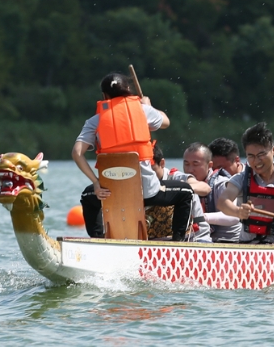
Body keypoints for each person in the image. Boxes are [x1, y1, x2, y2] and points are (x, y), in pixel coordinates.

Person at [73, 73, 194, 241]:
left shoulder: (95, 120)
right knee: (186, 192)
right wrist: (149, 106)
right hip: (148, 193)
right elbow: (166, 122)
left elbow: (77, 153)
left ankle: (98, 240)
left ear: (104, 96)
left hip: (110, 194)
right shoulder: (143, 111)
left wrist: (96, 183)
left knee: (87, 197)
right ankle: (178, 242)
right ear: (128, 90)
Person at [146, 143, 212, 242]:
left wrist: (180, 189)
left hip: (195, 239)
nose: (147, 176)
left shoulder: (177, 177)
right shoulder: (139, 181)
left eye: (151, 170)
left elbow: (205, 188)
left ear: (162, 163)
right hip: (155, 242)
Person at [182, 142, 242, 243]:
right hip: (201, 240)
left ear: (209, 165)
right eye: (186, 164)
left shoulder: (221, 183)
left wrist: (200, 218)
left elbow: (234, 216)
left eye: (195, 164)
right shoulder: (182, 181)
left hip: (230, 242)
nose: (189, 170)